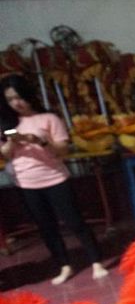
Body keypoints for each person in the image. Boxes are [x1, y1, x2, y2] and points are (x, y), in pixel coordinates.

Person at [0, 74, 108, 284]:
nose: (16, 103)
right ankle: (64, 265)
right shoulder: (7, 123)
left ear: (28, 95)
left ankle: (97, 262)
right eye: (11, 99)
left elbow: (63, 151)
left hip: (55, 178)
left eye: (19, 97)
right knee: (46, 227)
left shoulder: (49, 118)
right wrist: (13, 142)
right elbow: (4, 155)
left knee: (75, 222)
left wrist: (39, 140)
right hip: (26, 182)